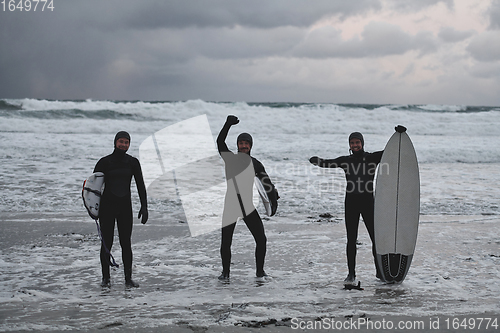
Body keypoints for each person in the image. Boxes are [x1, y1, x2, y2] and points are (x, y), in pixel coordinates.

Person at [309, 126, 406, 284]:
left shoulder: (372, 158)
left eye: (357, 142)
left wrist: (399, 135)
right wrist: (317, 161)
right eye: (352, 143)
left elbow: (392, 151)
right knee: (351, 239)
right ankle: (351, 274)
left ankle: (380, 272)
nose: (355, 145)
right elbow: (328, 163)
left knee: (376, 239)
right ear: (349, 145)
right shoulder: (346, 161)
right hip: (351, 203)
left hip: (368, 202)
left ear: (362, 143)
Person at [216, 115, 279, 280]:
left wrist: (274, 196)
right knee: (226, 242)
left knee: (261, 239)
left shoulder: (256, 163)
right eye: (241, 143)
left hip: (247, 206)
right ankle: (225, 273)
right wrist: (227, 124)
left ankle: (259, 272)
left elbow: (266, 183)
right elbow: (220, 142)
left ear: (250, 146)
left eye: (246, 143)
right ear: (237, 145)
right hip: (231, 205)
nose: (243, 146)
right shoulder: (230, 159)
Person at [93, 131, 148, 288]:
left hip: (125, 207)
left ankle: (128, 279)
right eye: (121, 142)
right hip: (107, 208)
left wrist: (144, 206)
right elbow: (93, 188)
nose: (124, 145)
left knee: (126, 243)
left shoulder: (132, 163)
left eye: (126, 142)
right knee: (106, 243)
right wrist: (93, 209)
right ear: (115, 142)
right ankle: (106, 279)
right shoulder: (104, 162)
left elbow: (140, 185)